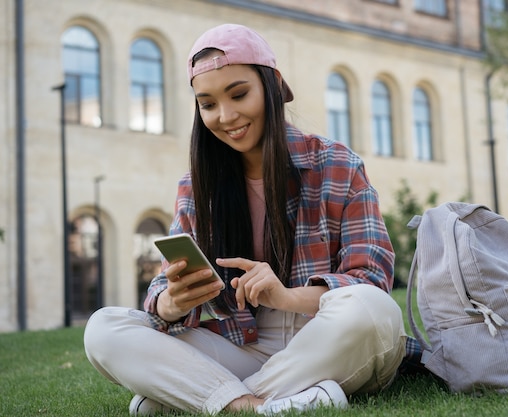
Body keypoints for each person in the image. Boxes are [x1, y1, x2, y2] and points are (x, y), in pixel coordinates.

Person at [84, 23, 420, 416]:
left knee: (372, 308)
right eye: (208, 104)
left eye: (239, 94)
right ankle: (266, 404)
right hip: (245, 345)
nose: (226, 116)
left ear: (272, 85)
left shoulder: (336, 165)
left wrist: (286, 297)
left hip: (328, 336)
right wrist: (172, 303)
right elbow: (160, 296)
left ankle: (203, 396)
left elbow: (371, 279)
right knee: (104, 329)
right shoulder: (197, 187)